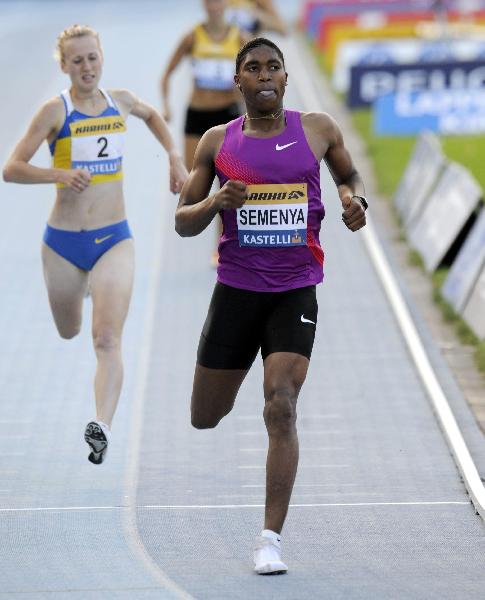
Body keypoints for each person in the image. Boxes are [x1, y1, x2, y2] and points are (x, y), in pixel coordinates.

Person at [175, 37, 367, 574]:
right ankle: (228, 384)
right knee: (204, 417)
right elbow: (182, 221)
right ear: (237, 81)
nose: (264, 75)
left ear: (285, 78)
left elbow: (349, 177)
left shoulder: (318, 130)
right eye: (253, 68)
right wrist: (215, 201)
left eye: (274, 67)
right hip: (236, 292)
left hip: (294, 289)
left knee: (280, 404)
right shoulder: (217, 144)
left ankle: (269, 540)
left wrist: (355, 200)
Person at [2, 25, 188, 465]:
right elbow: (11, 168)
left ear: (102, 57)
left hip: (113, 239)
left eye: (92, 58)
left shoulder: (120, 101)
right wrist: (59, 175)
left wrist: (174, 157)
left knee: (106, 338)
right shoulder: (55, 111)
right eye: (77, 60)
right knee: (69, 331)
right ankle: (84, 287)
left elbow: (152, 117)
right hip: (63, 243)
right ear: (65, 66)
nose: (86, 67)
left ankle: (101, 426)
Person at [161, 0, 250, 266]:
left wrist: (251, 113)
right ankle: (196, 194)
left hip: (227, 116)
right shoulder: (192, 36)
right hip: (198, 114)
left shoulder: (239, 37)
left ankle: (221, 247)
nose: (214, 6)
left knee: (227, 184)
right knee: (191, 183)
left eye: (218, 2)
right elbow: (166, 73)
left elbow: (253, 76)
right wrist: (166, 106)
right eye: (209, 2)